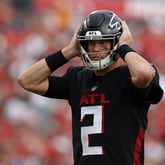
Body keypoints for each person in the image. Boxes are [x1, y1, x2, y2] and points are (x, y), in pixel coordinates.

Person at [18, 10, 163, 165]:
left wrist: (124, 47)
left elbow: (144, 73)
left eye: (102, 42)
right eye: (91, 43)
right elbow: (27, 80)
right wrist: (68, 51)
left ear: (115, 42)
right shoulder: (77, 78)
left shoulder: (129, 76)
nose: (95, 49)